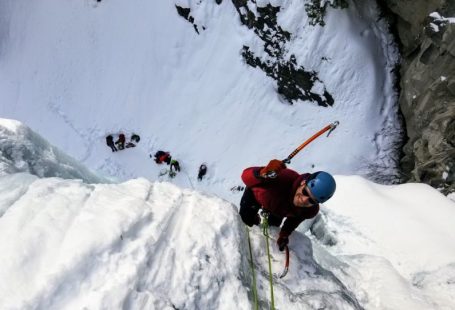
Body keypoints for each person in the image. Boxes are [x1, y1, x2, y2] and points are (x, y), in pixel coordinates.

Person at [240, 159, 336, 251]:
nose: (303, 200)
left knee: (273, 226)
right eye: (305, 192)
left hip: (278, 209)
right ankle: (253, 220)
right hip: (255, 196)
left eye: (311, 200)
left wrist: (284, 234)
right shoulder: (283, 177)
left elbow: (294, 220)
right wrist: (262, 173)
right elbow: (245, 176)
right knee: (246, 221)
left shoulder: (309, 210)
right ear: (303, 182)